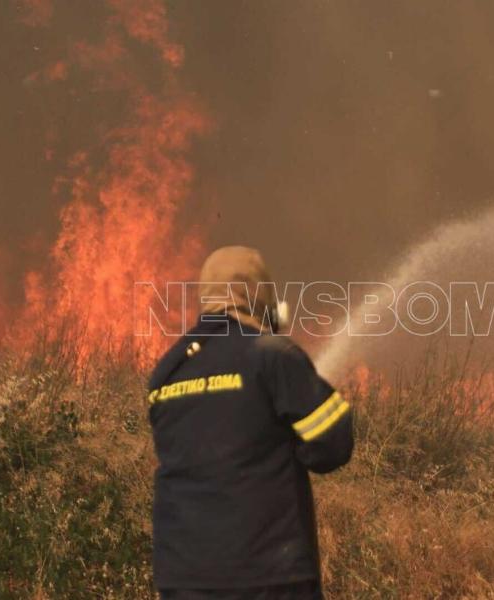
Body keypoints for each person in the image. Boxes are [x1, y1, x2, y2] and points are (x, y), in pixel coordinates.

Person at [147, 246, 353, 600]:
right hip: (265, 573)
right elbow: (332, 446)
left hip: (183, 576)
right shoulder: (270, 354)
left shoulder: (168, 371)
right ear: (260, 297)